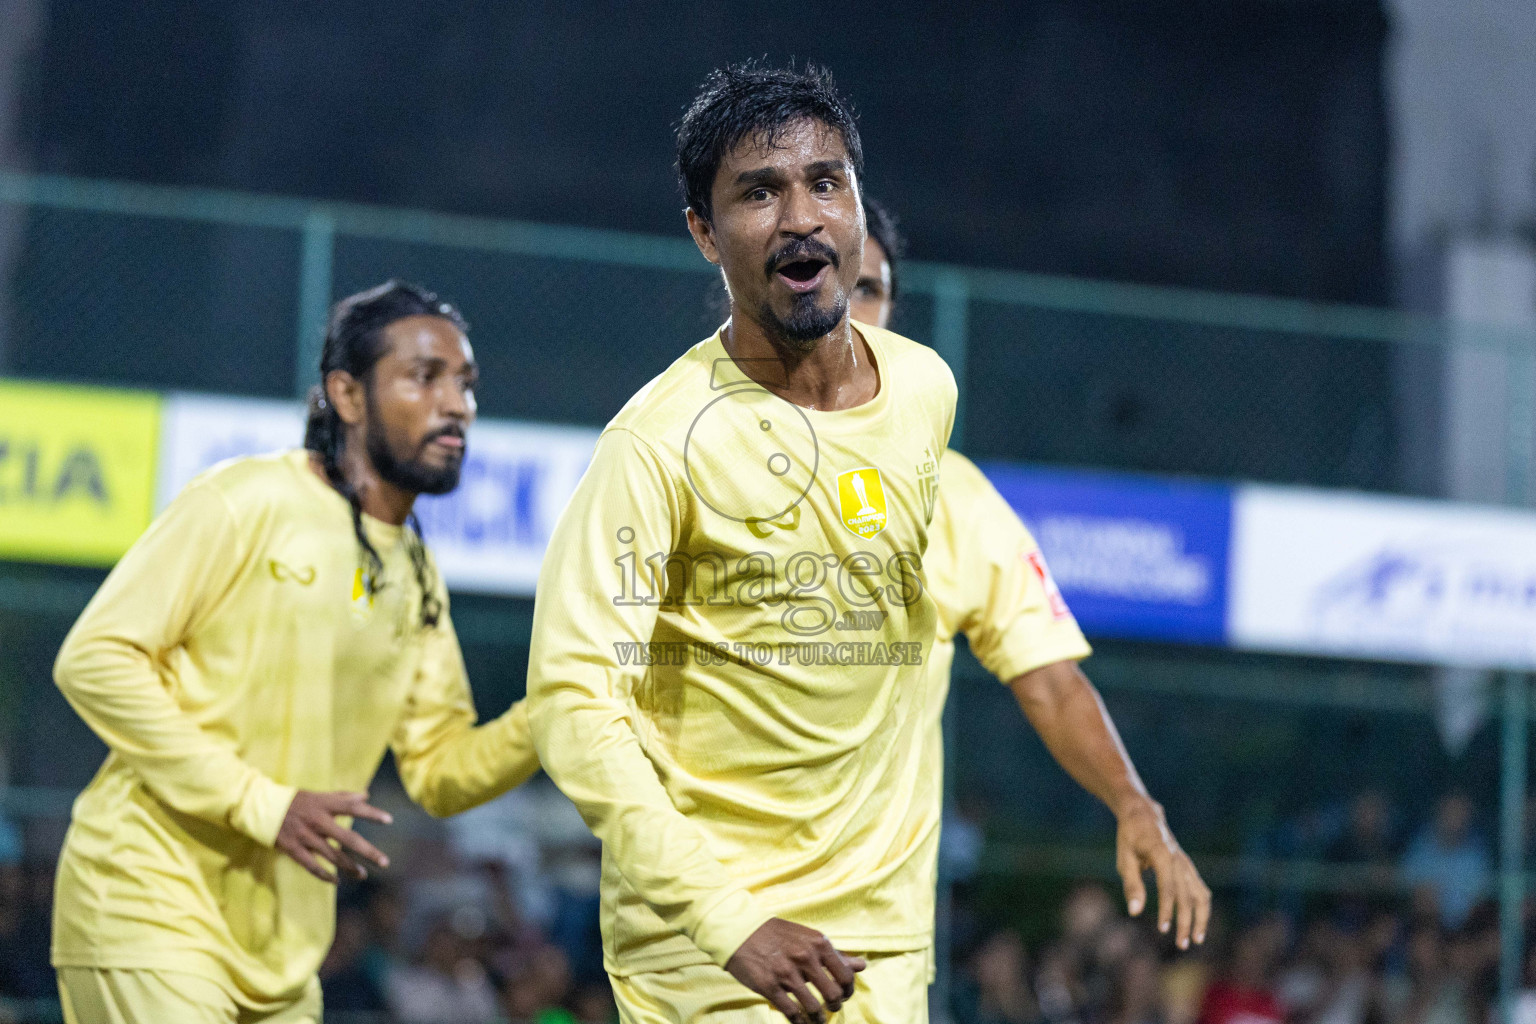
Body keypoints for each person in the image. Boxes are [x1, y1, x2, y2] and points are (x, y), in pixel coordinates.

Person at [526, 62, 1207, 1024]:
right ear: (703, 234)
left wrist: (1136, 805)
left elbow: (1044, 674)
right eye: (758, 193)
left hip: (884, 945)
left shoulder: (924, 391)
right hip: (719, 955)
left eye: (824, 181)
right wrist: (728, 920)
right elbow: (571, 706)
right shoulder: (656, 446)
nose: (800, 216)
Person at [50, 281, 541, 1023]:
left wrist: (559, 708)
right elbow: (94, 658)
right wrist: (261, 803)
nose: (456, 406)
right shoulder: (247, 499)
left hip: (283, 955)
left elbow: (439, 768)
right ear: (346, 394)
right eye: (424, 377)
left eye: (466, 384)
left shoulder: (413, 569)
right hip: (147, 905)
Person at [851, 196, 1211, 980]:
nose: (847, 308)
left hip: (867, 945)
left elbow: (1051, 683)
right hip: (710, 935)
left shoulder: (954, 498)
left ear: (892, 312)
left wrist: (1132, 801)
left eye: (868, 288)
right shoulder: (688, 456)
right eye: (825, 280)